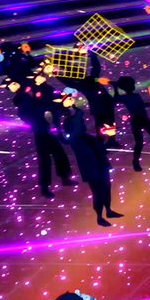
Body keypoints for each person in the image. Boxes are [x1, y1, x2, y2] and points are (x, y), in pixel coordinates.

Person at [62, 95, 121, 227]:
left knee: (106, 188)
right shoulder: (76, 140)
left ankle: (108, 211)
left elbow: (100, 148)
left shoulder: (87, 137)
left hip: (100, 166)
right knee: (98, 191)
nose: (83, 124)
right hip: (92, 169)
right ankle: (100, 217)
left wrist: (106, 138)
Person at [11, 78, 74, 199]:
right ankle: (53, 184)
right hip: (42, 133)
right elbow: (41, 110)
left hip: (42, 132)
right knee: (51, 158)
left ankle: (53, 184)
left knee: (52, 157)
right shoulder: (28, 107)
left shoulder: (26, 107)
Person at [113, 77, 150, 172]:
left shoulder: (130, 97)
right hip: (140, 119)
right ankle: (147, 159)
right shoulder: (129, 97)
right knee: (145, 141)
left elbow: (140, 105)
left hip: (139, 119)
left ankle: (141, 161)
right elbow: (116, 99)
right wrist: (115, 88)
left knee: (144, 141)